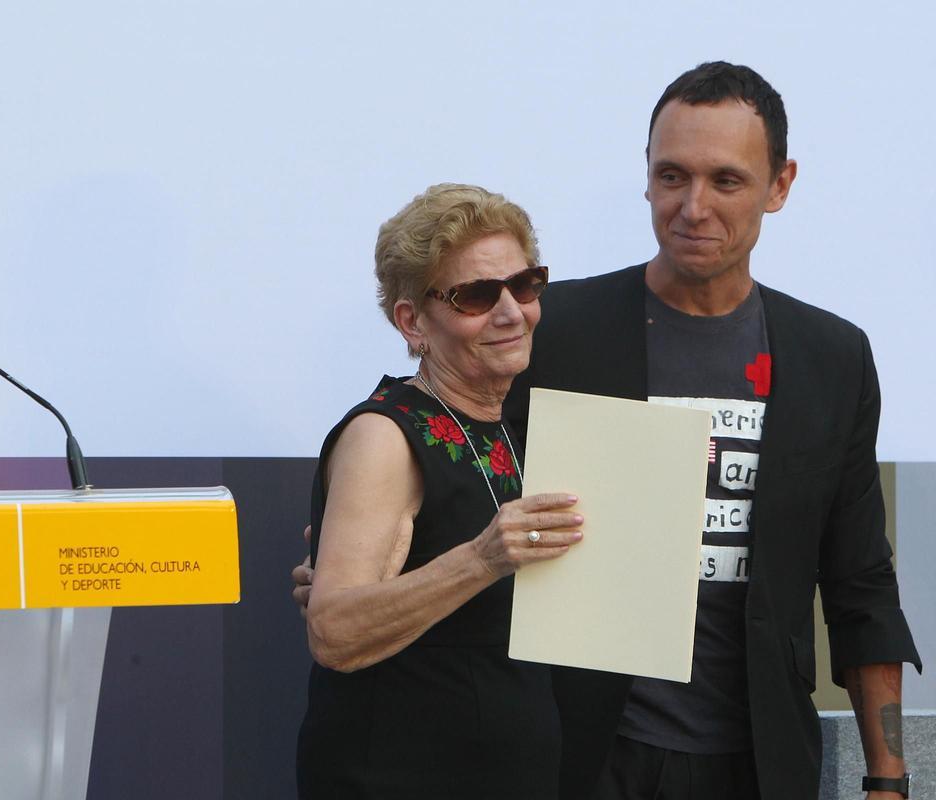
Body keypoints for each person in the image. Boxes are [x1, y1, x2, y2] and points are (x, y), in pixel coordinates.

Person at [294, 63, 922, 800]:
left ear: (779, 185)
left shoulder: (831, 356)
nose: (693, 206)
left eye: (726, 180)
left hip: (760, 754)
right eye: (671, 175)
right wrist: (356, 579)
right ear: (647, 178)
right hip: (578, 754)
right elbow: (448, 459)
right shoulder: (548, 327)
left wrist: (890, 779)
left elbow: (861, 586)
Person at [296, 183, 585, 799]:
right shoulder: (385, 435)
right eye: (477, 295)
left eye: (525, 285)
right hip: (400, 776)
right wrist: (483, 557)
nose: (510, 311)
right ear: (412, 320)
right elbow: (333, 631)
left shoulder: (509, 425)